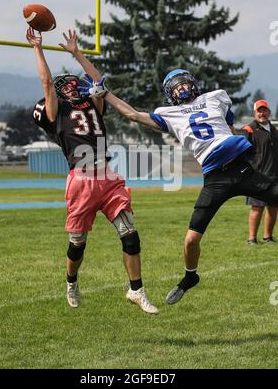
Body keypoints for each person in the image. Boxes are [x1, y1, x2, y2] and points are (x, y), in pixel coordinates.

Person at [79, 69, 278, 305]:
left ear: (193, 83)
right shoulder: (168, 114)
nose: (181, 89)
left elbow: (228, 126)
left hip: (242, 169)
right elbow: (132, 114)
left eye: (183, 84)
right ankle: (190, 277)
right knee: (191, 240)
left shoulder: (216, 97)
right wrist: (106, 94)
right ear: (169, 95)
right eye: (175, 87)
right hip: (216, 179)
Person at [27, 27, 158, 314]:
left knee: (130, 234)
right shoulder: (56, 112)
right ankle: (71, 281)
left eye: (74, 83)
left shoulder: (93, 105)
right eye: (66, 86)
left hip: (108, 177)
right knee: (78, 244)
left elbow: (99, 82)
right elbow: (47, 82)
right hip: (81, 180)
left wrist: (77, 53)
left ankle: (136, 290)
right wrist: (38, 48)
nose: (72, 86)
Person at [242, 100, 278, 245]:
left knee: (274, 207)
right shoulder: (249, 130)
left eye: (264, 110)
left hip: (275, 176)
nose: (262, 113)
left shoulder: (275, 131)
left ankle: (268, 237)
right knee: (257, 207)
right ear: (254, 113)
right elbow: (242, 152)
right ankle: (251, 239)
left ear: (269, 112)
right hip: (256, 176)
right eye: (259, 111)